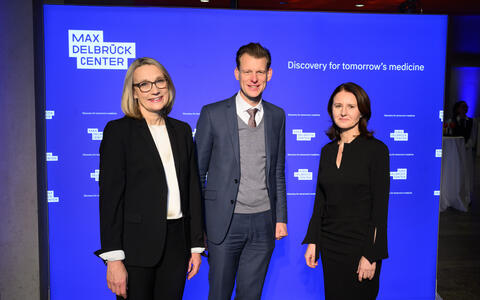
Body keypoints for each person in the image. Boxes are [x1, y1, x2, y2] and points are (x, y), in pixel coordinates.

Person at [94, 57, 204, 300]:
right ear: (133, 93)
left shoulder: (182, 130)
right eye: (144, 84)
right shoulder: (118, 132)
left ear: (168, 85)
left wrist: (196, 247)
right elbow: (110, 199)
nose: (154, 89)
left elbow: (192, 189)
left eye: (159, 81)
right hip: (135, 247)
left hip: (177, 243)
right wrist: (113, 258)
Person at [195, 42, 288, 300]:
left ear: (269, 74)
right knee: (220, 294)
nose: (254, 79)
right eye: (247, 71)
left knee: (251, 295)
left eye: (260, 72)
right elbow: (197, 174)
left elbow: (278, 171)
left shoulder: (277, 116)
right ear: (237, 73)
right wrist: (200, 226)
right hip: (224, 223)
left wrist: (280, 218)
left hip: (263, 222)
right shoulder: (212, 114)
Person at [303, 82, 390, 300]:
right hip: (331, 245)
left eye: (351, 106)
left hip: (361, 246)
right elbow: (320, 201)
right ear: (330, 109)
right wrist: (314, 240)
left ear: (362, 111)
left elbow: (380, 209)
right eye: (337, 105)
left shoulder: (377, 150)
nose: (343, 112)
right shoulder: (327, 151)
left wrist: (371, 254)